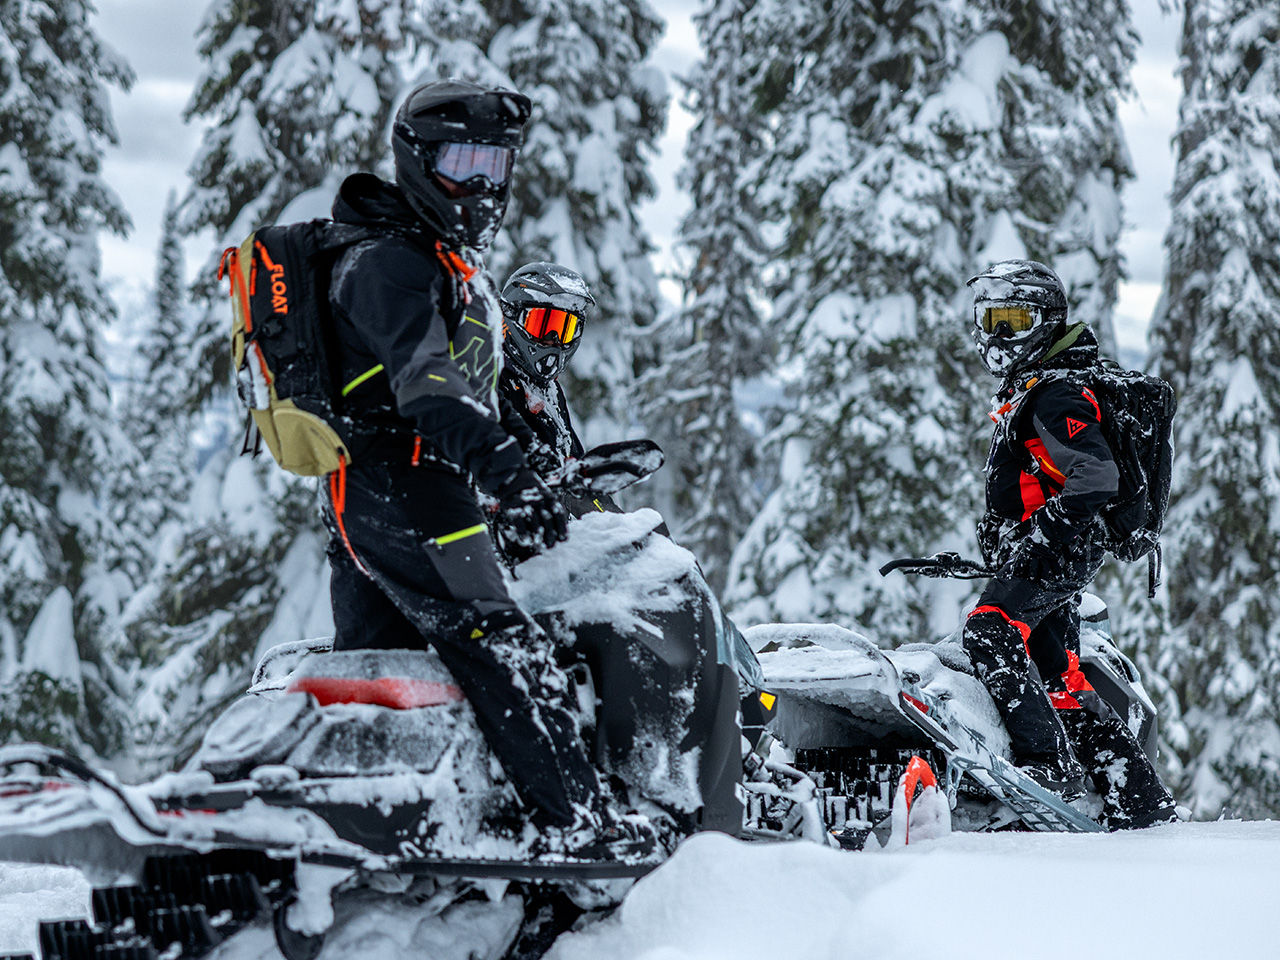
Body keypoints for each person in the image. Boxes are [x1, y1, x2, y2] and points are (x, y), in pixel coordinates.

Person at [320, 78, 622, 847]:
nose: (483, 186)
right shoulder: (391, 263)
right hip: (411, 488)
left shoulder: (418, 255)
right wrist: (510, 479)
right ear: (418, 161)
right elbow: (431, 389)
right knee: (509, 649)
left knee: (386, 669)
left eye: (495, 164)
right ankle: (580, 831)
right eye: (462, 163)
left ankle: (384, 826)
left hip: (383, 489)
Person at [963, 258, 1177, 829]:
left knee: (989, 631)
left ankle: (1048, 764)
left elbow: (1096, 476)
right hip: (1055, 548)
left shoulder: (1055, 393)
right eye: (989, 319)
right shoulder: (1042, 385)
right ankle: (1140, 800)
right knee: (1058, 672)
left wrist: (1041, 538)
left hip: (1056, 549)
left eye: (1013, 320)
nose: (997, 335)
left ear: (1046, 322)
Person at [497, 261, 619, 516]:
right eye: (542, 324)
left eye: (565, 329)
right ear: (511, 318)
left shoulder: (548, 391)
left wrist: (615, 521)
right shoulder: (490, 382)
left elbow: (573, 469)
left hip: (549, 526)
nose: (553, 340)